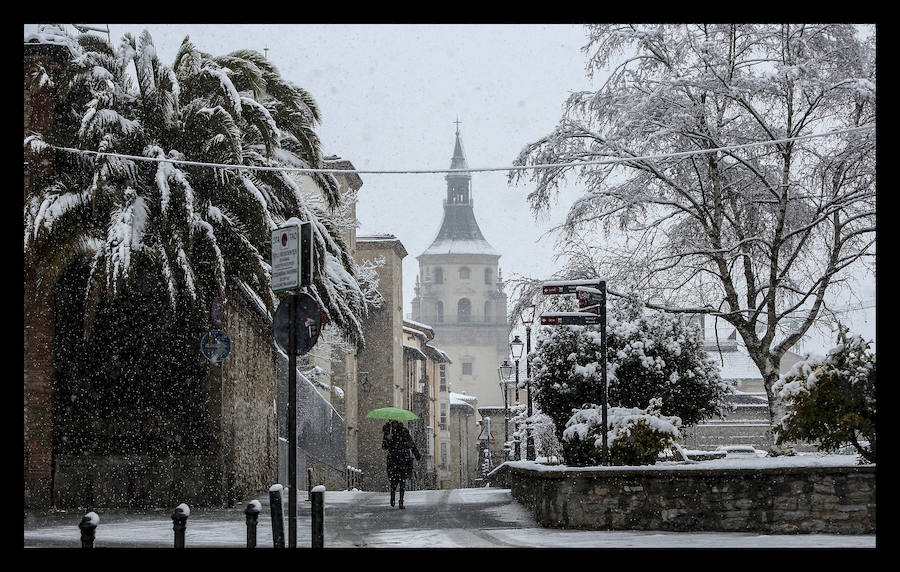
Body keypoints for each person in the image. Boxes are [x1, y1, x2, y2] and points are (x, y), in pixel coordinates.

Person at [382, 420, 421, 509]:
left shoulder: (404, 431)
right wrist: (387, 439)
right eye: (393, 423)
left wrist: (417, 455)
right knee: (393, 482)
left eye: (396, 423)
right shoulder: (388, 432)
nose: (394, 424)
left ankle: (401, 501)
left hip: (403, 460)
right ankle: (392, 497)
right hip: (392, 461)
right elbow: (384, 447)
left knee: (402, 482)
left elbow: (411, 444)